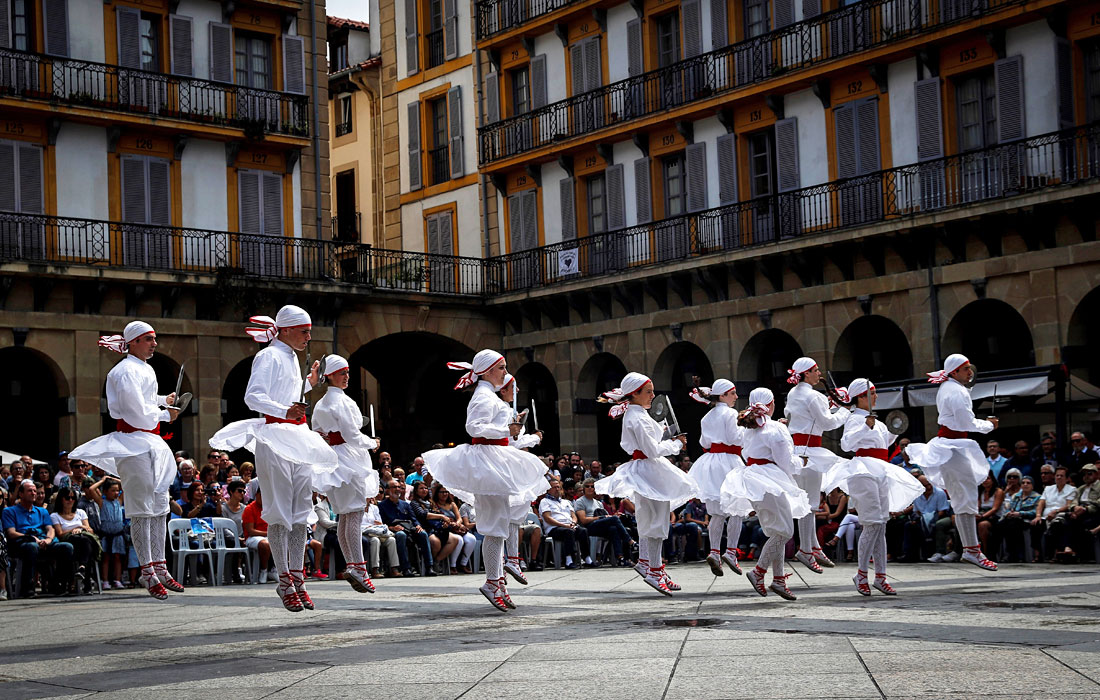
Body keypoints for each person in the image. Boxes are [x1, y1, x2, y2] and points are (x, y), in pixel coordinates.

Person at [209, 306, 339, 612]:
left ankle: (298, 577)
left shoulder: (290, 356)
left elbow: (286, 393)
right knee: (281, 512)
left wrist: (309, 383)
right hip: (275, 436)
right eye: (304, 331)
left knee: (299, 513)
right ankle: (284, 582)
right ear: (287, 329)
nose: (309, 337)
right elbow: (253, 396)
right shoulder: (267, 355)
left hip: (297, 436)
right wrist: (284, 412)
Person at [423, 350, 549, 611]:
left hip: (497, 459)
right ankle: (493, 580)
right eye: (501, 368)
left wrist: (521, 435)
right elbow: (474, 427)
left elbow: (506, 437)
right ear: (489, 370)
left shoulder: (490, 397)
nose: (505, 372)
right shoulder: (482, 396)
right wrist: (506, 429)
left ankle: (498, 579)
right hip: (488, 463)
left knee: (499, 525)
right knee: (494, 526)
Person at [69, 320, 182, 599]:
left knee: (159, 505)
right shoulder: (124, 371)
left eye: (154, 338)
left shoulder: (145, 369)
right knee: (142, 508)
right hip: (132, 441)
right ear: (132, 342)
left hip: (150, 441)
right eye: (148, 339)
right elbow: (133, 412)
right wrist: (165, 414)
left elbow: (144, 401)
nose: (154, 343)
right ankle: (147, 571)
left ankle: (159, 564)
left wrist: (162, 401)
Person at [595, 372, 694, 596]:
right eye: (648, 392)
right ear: (635, 393)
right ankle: (654, 570)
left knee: (653, 520)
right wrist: (676, 446)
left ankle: (648, 564)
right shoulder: (636, 417)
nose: (652, 395)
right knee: (655, 521)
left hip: (649, 469)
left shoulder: (638, 414)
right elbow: (651, 450)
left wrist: (668, 436)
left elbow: (652, 438)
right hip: (649, 468)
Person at [822, 379, 923, 596]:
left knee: (881, 525)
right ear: (861, 397)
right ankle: (860, 574)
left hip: (880, 469)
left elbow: (883, 443)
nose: (876, 396)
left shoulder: (876, 421)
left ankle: (880, 576)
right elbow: (847, 444)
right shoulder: (854, 419)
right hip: (863, 471)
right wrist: (864, 427)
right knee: (872, 524)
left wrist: (894, 431)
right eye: (873, 392)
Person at [904, 354, 998, 570]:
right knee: (965, 498)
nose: (970, 372)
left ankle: (970, 549)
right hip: (953, 447)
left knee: (963, 498)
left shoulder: (950, 388)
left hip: (951, 445)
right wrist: (989, 426)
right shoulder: (955, 391)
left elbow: (959, 415)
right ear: (954, 372)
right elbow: (966, 421)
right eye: (966, 369)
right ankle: (971, 549)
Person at [720, 387, 811, 600]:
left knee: (776, 531)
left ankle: (778, 579)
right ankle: (759, 571)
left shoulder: (749, 426)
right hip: (769, 479)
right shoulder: (774, 428)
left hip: (753, 477)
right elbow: (786, 462)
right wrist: (802, 461)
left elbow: (746, 451)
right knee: (784, 531)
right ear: (770, 404)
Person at [311, 354, 381, 593]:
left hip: (333, 459)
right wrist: (372, 443)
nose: (347, 376)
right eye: (342, 373)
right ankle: (358, 566)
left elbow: (317, 432)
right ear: (330, 375)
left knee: (344, 514)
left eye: (348, 372)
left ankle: (352, 563)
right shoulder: (343, 401)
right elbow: (352, 435)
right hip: (349, 460)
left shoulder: (321, 404)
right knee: (353, 514)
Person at [784, 357, 849, 574]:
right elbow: (827, 423)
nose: (819, 373)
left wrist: (829, 405)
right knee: (810, 504)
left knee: (808, 502)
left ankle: (813, 546)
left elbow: (802, 416)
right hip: (810, 452)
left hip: (796, 451)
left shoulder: (794, 393)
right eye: (816, 370)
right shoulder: (814, 395)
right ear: (807, 373)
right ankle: (806, 548)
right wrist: (843, 409)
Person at [686, 379, 745, 577]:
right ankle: (731, 552)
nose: (736, 397)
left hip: (710, 462)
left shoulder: (707, 416)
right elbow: (735, 438)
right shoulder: (730, 413)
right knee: (737, 509)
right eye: (732, 393)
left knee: (717, 513)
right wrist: (748, 428)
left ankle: (714, 552)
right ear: (722, 395)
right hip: (728, 461)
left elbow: (704, 441)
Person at [498, 373, 545, 580]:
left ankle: (512, 560)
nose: (517, 391)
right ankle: (500, 566)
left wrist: (528, 436)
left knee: (514, 517)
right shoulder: (499, 409)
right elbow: (509, 442)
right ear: (503, 389)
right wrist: (533, 439)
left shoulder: (508, 411)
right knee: (501, 520)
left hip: (511, 467)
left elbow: (514, 439)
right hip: (503, 465)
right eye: (513, 387)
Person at [3, 480, 73, 597]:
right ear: (21, 494)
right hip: (21, 543)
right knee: (31, 547)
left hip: (43, 541)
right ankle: (27, 588)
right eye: (30, 491)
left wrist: (48, 540)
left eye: (35, 491)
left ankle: (58, 584)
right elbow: (11, 533)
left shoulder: (42, 511)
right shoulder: (10, 511)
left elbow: (50, 529)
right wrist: (30, 538)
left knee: (67, 547)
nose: (34, 493)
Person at [50, 486, 100, 595]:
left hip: (83, 539)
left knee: (85, 541)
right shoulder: (55, 516)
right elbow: (60, 534)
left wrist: (80, 529)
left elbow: (89, 529)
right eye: (67, 498)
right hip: (68, 540)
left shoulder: (80, 512)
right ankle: (86, 582)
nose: (70, 500)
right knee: (84, 544)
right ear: (61, 499)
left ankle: (82, 569)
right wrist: (74, 530)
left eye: (73, 498)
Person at [574, 479, 633, 566]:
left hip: (600, 526)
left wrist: (605, 517)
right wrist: (601, 517)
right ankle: (631, 542)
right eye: (587, 486)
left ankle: (620, 558)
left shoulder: (598, 503)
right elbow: (583, 520)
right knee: (614, 519)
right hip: (588, 527)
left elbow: (605, 517)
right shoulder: (580, 501)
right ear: (583, 489)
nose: (590, 488)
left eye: (592, 486)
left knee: (614, 529)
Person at [539, 478, 592, 569]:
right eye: (554, 487)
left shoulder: (565, 502)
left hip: (569, 526)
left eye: (558, 487)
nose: (557, 489)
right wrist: (565, 525)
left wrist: (573, 523)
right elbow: (547, 518)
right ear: (548, 489)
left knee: (583, 531)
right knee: (568, 532)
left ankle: (587, 558)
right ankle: (569, 560)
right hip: (554, 528)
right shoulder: (544, 501)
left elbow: (573, 515)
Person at [379, 480, 428, 576]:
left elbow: (413, 519)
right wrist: (392, 527)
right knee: (401, 535)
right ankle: (406, 568)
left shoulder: (405, 504)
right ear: (387, 490)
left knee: (422, 533)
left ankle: (429, 566)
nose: (397, 490)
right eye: (394, 487)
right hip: (393, 531)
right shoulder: (382, 505)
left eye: (399, 487)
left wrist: (418, 525)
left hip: (409, 529)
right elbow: (381, 523)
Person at [87, 476, 128, 589]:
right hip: (106, 534)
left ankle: (117, 580)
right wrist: (103, 480)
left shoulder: (119, 501)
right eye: (112, 490)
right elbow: (91, 489)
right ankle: (105, 580)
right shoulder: (102, 502)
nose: (116, 493)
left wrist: (115, 480)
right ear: (105, 491)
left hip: (118, 533)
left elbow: (126, 486)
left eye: (117, 490)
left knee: (117, 557)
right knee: (106, 557)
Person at [433, 483, 476, 573]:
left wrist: (457, 523)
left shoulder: (452, 504)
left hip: (456, 528)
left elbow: (459, 517)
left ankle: (463, 564)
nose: (445, 494)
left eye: (446, 492)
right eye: (442, 492)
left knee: (471, 539)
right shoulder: (434, 504)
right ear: (437, 493)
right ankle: (453, 565)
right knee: (459, 540)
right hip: (445, 529)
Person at [1037, 465, 1078, 562]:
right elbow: (1041, 504)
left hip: (1061, 514)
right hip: (1046, 516)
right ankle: (1038, 555)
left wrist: (1055, 512)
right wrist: (1038, 515)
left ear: (1067, 478)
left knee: (1057, 524)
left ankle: (1056, 553)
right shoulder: (1048, 489)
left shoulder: (1072, 489)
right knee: (1036, 524)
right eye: (1057, 475)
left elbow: (1068, 505)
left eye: (1061, 476)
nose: (1058, 477)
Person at [1001, 476, 1042, 562]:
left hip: (1027, 520)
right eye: (1023, 483)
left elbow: (1035, 511)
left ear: (1032, 486)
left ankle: (1017, 555)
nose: (1025, 484)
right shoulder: (1016, 496)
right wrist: (1008, 513)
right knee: (999, 525)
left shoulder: (1037, 497)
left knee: (1014, 524)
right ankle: (996, 555)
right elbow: (1009, 508)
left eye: (1028, 483)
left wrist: (1020, 514)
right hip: (1013, 519)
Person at [1067, 464, 1100, 561]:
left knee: (1080, 522)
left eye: (1089, 474)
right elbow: (1074, 501)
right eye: (1084, 474)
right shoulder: (1081, 488)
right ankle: (1068, 549)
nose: (1086, 476)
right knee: (1067, 518)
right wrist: (1074, 508)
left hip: (1094, 512)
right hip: (1080, 512)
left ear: (1096, 474)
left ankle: (1073, 549)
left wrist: (1086, 508)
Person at [242, 485, 274, 582]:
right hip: (252, 538)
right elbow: (251, 531)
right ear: (257, 495)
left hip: (269, 535)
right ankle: (263, 570)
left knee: (286, 542)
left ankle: (275, 570)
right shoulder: (249, 509)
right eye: (262, 495)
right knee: (265, 544)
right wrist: (269, 534)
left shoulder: (270, 508)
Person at [976, 470, 1004, 558]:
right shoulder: (981, 491)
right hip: (982, 515)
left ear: (992, 480)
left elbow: (995, 509)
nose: (985, 481)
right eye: (983, 479)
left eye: (987, 478)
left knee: (983, 525)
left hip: (995, 518)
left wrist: (982, 516)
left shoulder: (998, 491)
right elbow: (977, 506)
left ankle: (986, 552)